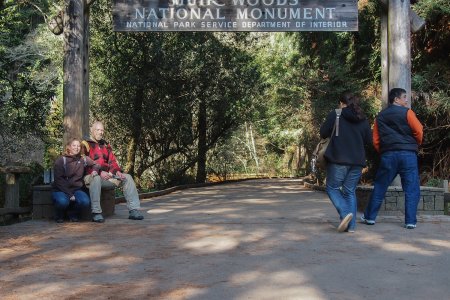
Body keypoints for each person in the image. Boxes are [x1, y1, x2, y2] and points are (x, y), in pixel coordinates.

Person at [362, 88, 423, 229]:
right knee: (411, 188)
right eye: (404, 97)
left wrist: (383, 151)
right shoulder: (408, 112)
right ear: (396, 99)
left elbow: (376, 139)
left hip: (388, 155)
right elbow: (419, 130)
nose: (406, 100)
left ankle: (370, 217)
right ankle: (410, 221)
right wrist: (414, 144)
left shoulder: (380, 116)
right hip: (408, 155)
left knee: (380, 185)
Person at [320, 92, 372, 233]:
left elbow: (323, 132)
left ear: (342, 103)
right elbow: (369, 140)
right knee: (349, 191)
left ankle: (344, 214)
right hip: (357, 161)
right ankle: (352, 226)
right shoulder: (363, 118)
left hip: (339, 159)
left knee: (333, 188)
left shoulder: (336, 114)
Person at [82, 121, 144, 222]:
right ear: (92, 130)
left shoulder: (106, 145)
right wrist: (99, 172)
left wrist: (117, 172)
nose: (100, 132)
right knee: (96, 177)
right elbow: (83, 163)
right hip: (91, 176)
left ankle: (134, 210)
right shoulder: (85, 144)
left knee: (127, 177)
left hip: (106, 177)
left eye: (102, 130)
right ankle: (96, 212)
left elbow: (112, 162)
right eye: (98, 130)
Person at [52, 138, 100, 223]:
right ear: (69, 147)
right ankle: (59, 214)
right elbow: (58, 181)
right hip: (61, 189)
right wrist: (70, 195)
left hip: (76, 189)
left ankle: (72, 213)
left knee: (85, 202)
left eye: (78, 146)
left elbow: (96, 164)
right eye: (74, 145)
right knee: (63, 202)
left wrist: (94, 171)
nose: (76, 148)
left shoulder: (83, 159)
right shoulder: (61, 161)